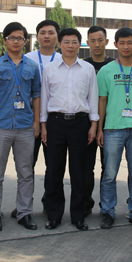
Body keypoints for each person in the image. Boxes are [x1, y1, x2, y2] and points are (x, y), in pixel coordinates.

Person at [0, 22, 41, 232]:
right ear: (5, 40)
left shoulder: (32, 67)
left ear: (25, 41)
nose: (15, 41)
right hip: (0, 126)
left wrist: (36, 123)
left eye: (19, 38)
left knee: (25, 173)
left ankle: (24, 212)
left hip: (25, 126)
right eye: (11, 38)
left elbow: (37, 95)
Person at [41, 28, 99, 231]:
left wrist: (93, 125)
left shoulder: (87, 69)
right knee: (54, 170)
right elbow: (44, 98)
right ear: (60, 44)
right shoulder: (49, 69)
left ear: (79, 45)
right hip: (55, 123)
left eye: (74, 42)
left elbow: (92, 98)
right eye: (66, 42)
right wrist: (43, 125)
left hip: (80, 123)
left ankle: (78, 216)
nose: (70, 46)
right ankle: (54, 215)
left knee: (79, 171)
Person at [97, 27, 132, 230]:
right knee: (109, 174)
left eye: (130, 42)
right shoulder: (106, 71)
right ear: (115, 44)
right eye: (122, 43)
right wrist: (100, 128)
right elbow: (102, 100)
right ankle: (108, 212)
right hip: (113, 129)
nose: (126, 46)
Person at [20, 19, 62, 217]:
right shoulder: (26, 59)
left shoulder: (63, 59)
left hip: (54, 120)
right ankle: (24, 205)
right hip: (29, 118)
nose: (47, 36)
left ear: (57, 37)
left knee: (53, 166)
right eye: (43, 32)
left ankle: (49, 203)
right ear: (36, 36)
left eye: (51, 32)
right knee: (27, 166)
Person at [82, 26, 114, 216]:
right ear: (87, 42)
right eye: (92, 40)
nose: (96, 44)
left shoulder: (114, 65)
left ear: (107, 42)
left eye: (100, 40)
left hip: (110, 123)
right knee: (86, 167)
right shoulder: (82, 65)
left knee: (107, 168)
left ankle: (106, 206)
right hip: (86, 123)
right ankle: (86, 204)